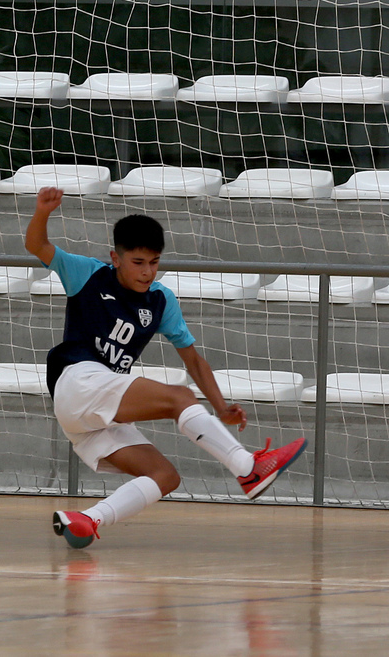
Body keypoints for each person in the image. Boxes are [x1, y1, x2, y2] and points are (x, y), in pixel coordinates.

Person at [25, 187, 307, 549]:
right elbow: (36, 245)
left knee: (165, 476)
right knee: (179, 396)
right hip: (77, 380)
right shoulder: (87, 274)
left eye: (154, 262)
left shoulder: (161, 301)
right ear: (116, 257)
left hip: (89, 414)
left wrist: (221, 408)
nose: (147, 272)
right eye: (138, 262)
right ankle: (246, 467)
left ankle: (87, 520)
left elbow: (193, 359)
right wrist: (42, 212)